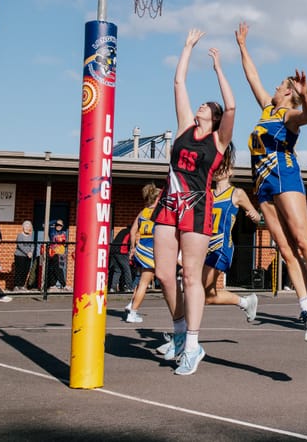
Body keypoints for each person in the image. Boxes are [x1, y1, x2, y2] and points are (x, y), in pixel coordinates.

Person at [236, 21, 307, 340]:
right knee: (283, 248)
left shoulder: (288, 115)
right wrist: (243, 48)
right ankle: (305, 308)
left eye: (281, 84)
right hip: (262, 186)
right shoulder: (267, 108)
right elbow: (252, 78)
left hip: (286, 178)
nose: (275, 86)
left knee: (303, 241)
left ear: (289, 92)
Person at [153, 28, 235, 376]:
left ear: (214, 118)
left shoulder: (217, 142)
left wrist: (218, 67)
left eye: (208, 106)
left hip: (199, 208)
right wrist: (187, 47)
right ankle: (178, 333)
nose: (203, 105)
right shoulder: (186, 126)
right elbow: (178, 84)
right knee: (163, 275)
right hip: (169, 204)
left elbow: (230, 104)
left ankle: (192, 345)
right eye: (202, 104)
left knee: (191, 277)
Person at [203, 163, 261, 321]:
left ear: (230, 171)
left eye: (221, 167)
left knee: (197, 288)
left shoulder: (237, 193)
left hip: (221, 247)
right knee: (208, 296)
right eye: (215, 167)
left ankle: (181, 335)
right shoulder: (208, 193)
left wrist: (255, 217)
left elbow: (256, 214)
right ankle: (245, 302)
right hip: (204, 246)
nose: (217, 170)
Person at [125, 183, 161, 324]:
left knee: (141, 282)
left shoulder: (143, 212)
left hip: (141, 248)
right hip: (151, 249)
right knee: (145, 283)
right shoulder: (158, 213)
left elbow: (133, 231)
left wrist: (133, 247)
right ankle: (132, 313)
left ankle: (131, 304)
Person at [109, 223, 133, 293]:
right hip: (121, 252)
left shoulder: (122, 231)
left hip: (113, 251)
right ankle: (129, 287)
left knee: (117, 270)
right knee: (127, 270)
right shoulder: (130, 233)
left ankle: (112, 288)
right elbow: (128, 243)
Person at [13, 221, 36, 290]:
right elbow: (20, 246)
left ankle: (22, 285)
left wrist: (31, 252)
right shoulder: (20, 235)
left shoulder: (30, 236)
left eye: (28, 226)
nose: (27, 228)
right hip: (20, 256)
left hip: (28, 256)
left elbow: (32, 245)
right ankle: (16, 286)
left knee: (26, 270)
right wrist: (27, 253)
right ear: (23, 227)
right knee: (19, 270)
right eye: (25, 226)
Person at [46, 220, 68, 289]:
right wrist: (56, 221)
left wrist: (65, 244)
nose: (59, 226)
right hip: (53, 253)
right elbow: (47, 224)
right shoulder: (52, 231)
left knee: (60, 268)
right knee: (56, 269)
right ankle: (62, 284)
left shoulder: (64, 233)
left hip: (61, 253)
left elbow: (65, 243)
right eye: (57, 225)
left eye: (60, 225)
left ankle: (54, 285)